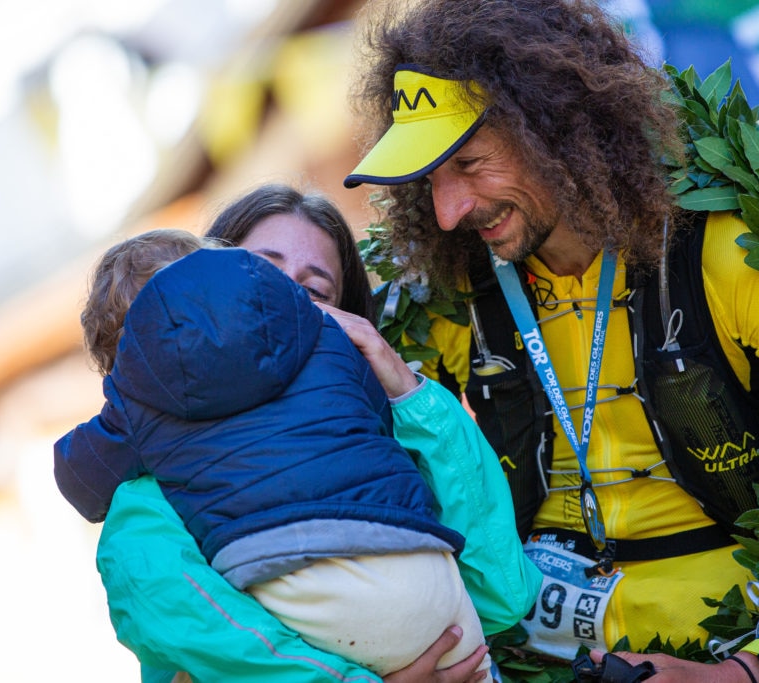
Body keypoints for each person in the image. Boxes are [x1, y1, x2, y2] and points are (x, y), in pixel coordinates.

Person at [334, 0, 759, 681]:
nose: (448, 211)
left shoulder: (734, 253)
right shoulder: (444, 297)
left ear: (556, 127)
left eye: (471, 163)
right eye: (430, 178)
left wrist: (745, 674)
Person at [68, 185, 541, 683]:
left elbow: (500, 594)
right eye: (262, 276)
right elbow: (202, 638)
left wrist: (404, 388)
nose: (287, 306)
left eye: (315, 292)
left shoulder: (376, 447)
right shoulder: (149, 494)